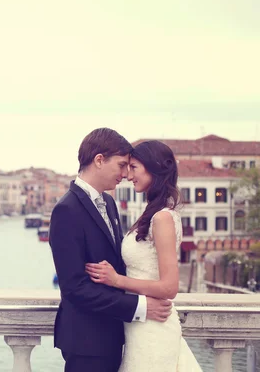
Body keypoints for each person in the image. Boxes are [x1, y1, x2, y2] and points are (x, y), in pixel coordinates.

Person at [49, 128, 173, 372]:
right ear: (99, 160)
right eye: (121, 165)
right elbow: (75, 288)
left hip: (116, 336)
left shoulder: (109, 203)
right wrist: (141, 307)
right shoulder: (66, 210)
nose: (126, 174)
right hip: (86, 341)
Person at [85, 140, 202, 371]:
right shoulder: (151, 213)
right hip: (139, 325)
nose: (128, 175)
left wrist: (117, 280)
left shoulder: (162, 218)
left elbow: (169, 287)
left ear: (153, 167)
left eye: (134, 167)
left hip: (154, 329)